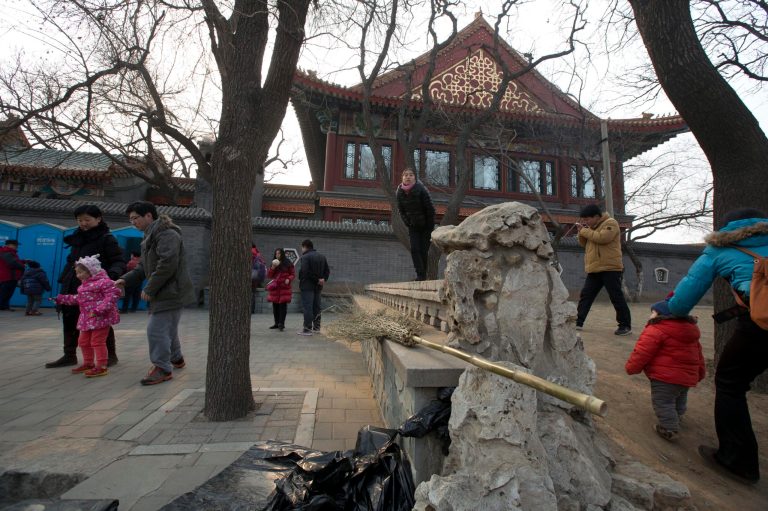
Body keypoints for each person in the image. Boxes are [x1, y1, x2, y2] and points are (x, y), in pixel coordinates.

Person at [666, 207, 768, 484]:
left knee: (730, 383)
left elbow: (683, 300)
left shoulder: (718, 250)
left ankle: (738, 460)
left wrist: (668, 307)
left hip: (761, 327)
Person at [116, 201, 195, 386]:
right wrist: (125, 279)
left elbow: (167, 263)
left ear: (149, 216)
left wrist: (150, 288)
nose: (133, 222)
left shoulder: (167, 234)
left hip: (171, 290)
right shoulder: (149, 236)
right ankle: (176, 359)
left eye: (135, 218)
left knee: (156, 329)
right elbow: (144, 266)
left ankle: (162, 368)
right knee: (167, 327)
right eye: (131, 219)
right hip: (164, 290)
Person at [46, 205, 125, 368]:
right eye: (80, 220)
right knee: (70, 319)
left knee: (99, 320)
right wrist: (65, 279)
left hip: (97, 289)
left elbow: (118, 260)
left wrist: (111, 277)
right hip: (73, 283)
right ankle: (69, 355)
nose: (83, 223)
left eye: (87, 220)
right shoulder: (77, 237)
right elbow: (71, 261)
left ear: (98, 219)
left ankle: (110, 355)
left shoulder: (106, 238)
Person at [625, 300, 705, 442]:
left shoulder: (656, 329)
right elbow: (699, 355)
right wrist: (700, 373)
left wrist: (631, 368)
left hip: (664, 378)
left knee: (663, 402)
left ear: (661, 315)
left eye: (653, 312)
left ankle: (669, 428)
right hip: (686, 377)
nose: (650, 315)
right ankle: (678, 416)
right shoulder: (690, 331)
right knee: (680, 397)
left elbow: (642, 352)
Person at [53, 255, 122, 378]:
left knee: (97, 342)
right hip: (86, 318)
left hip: (100, 318)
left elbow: (113, 295)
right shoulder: (83, 285)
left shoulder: (104, 282)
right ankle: (88, 363)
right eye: (77, 273)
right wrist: (62, 299)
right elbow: (78, 299)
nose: (78, 275)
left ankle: (101, 366)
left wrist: (99, 310)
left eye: (80, 272)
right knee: (83, 342)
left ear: (91, 271)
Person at [575, 204, 632, 336]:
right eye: (583, 220)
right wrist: (581, 232)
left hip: (610, 268)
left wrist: (585, 231)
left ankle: (625, 325)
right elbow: (585, 244)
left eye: (587, 219)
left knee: (616, 296)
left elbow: (602, 238)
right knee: (586, 295)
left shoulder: (611, 223)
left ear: (596, 217)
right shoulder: (591, 228)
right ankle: (578, 321)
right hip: (594, 268)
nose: (585, 222)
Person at [396, 167, 436, 281]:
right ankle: (420, 274)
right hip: (413, 226)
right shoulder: (399, 192)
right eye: (406, 175)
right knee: (414, 249)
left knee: (423, 250)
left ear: (414, 178)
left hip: (426, 225)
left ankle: (424, 275)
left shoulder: (421, 190)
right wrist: (407, 222)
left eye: (411, 175)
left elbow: (430, 209)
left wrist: (429, 226)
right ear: (402, 178)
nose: (408, 177)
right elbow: (401, 210)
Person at [297, 239, 330, 336]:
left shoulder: (305, 257)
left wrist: (316, 280)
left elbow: (305, 272)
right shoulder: (322, 257)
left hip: (307, 286)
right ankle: (316, 328)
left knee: (308, 307)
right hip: (318, 287)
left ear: (304, 246)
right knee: (317, 307)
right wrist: (323, 279)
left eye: (301, 247)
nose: (301, 249)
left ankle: (307, 329)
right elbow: (327, 271)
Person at [266, 248, 295, 332]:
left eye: (279, 253)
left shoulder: (288, 263)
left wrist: (288, 279)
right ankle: (276, 323)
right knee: (275, 307)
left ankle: (281, 324)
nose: (277, 255)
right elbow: (269, 276)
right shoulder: (274, 263)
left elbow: (293, 274)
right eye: (276, 254)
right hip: (275, 288)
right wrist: (273, 267)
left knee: (283, 306)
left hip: (284, 287)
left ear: (282, 254)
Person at [0, 239, 25, 311]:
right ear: (9, 245)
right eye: (15, 245)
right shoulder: (6, 252)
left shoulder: (9, 252)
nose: (17, 247)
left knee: (7, 293)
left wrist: (23, 261)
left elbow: (14, 261)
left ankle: (4, 306)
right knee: (5, 293)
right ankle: (2, 306)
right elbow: (12, 263)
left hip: (10, 276)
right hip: (8, 276)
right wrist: (22, 266)